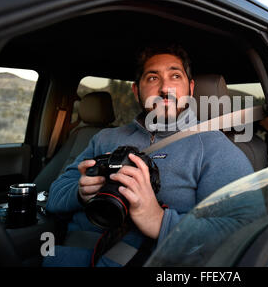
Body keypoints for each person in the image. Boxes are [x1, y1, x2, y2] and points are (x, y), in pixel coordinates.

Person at [43, 43, 254, 267]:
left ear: (190, 89)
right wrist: (79, 192)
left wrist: (159, 221)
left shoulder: (215, 148)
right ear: (137, 90)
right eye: (153, 78)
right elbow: (54, 196)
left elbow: (241, 233)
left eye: (175, 76)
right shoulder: (105, 139)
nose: (165, 89)